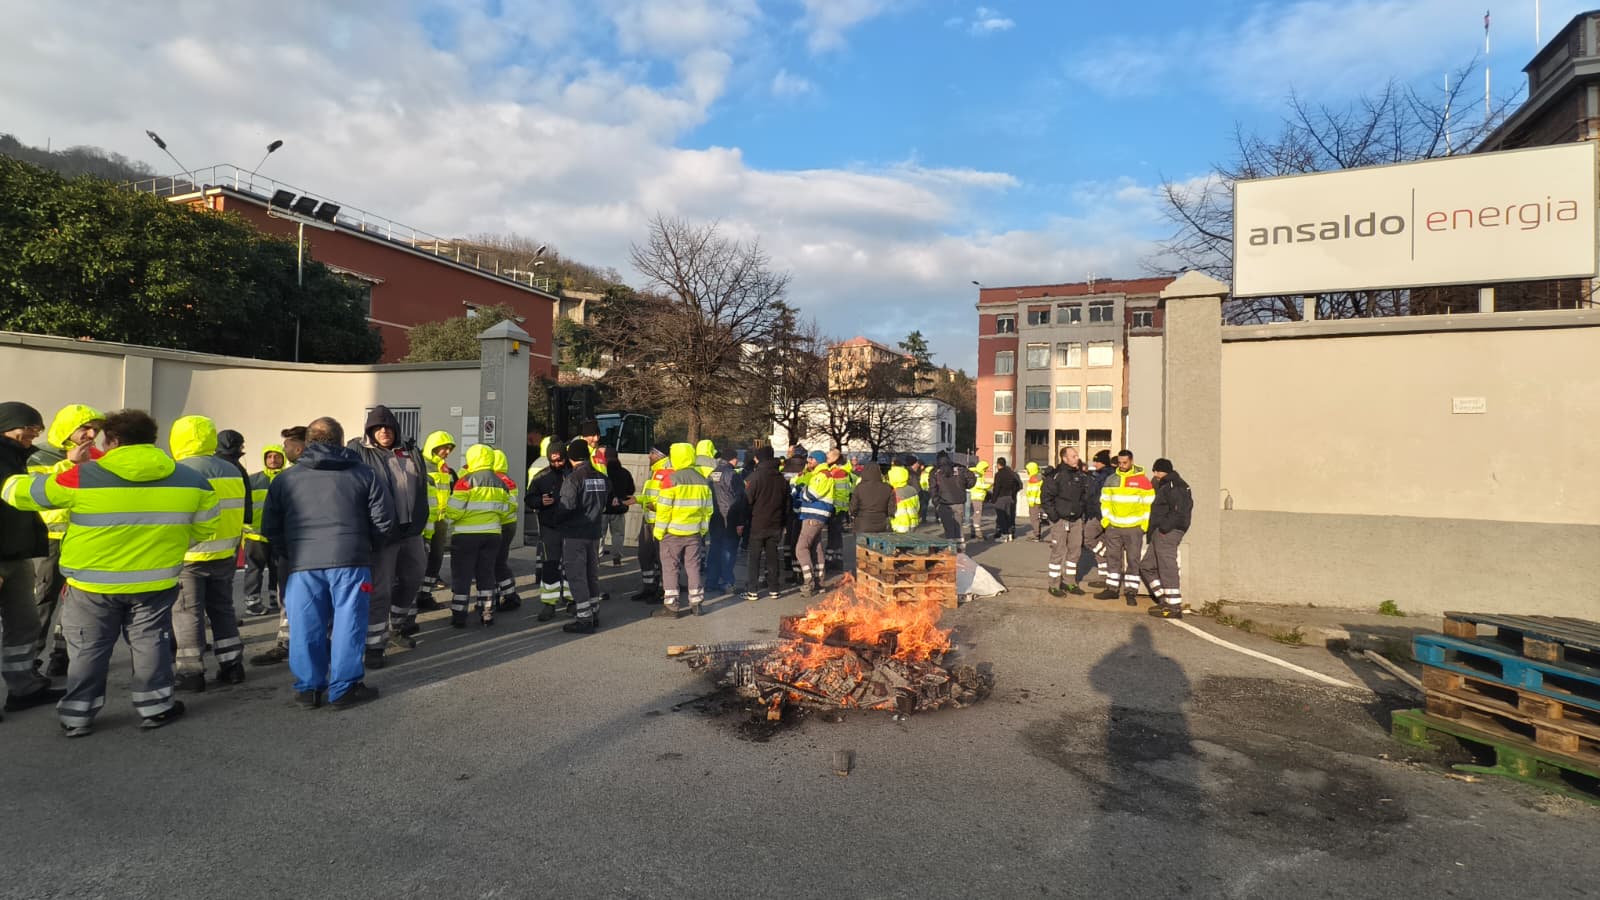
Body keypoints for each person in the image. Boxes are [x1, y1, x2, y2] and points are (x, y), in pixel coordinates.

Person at [3, 409, 219, 736]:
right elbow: (207, 529)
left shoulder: (81, 476)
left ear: (113, 440)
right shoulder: (192, 480)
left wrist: (55, 465)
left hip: (91, 584)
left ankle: (78, 716)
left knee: (89, 647)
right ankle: (156, 707)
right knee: (151, 645)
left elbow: (19, 493)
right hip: (155, 581)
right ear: (152, 439)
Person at [263, 417, 392, 710]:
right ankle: (344, 688)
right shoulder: (364, 474)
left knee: (305, 624)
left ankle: (309, 688)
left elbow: (271, 526)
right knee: (349, 623)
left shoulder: (285, 479)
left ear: (308, 442)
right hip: (351, 559)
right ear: (341, 439)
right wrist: (368, 550)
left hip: (302, 563)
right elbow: (383, 521)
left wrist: (291, 552)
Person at [169, 415, 250, 692]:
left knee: (187, 613)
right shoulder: (231, 469)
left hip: (189, 556)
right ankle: (232, 666)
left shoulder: (178, 470)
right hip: (225, 553)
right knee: (223, 609)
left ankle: (191, 673)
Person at [25, 403, 104, 676]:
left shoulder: (97, 456)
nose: (92, 434)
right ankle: (29, 659)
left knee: (76, 601)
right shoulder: (38, 456)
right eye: (85, 428)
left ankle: (63, 653)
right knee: (43, 598)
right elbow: (37, 492)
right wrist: (70, 464)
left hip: (84, 538)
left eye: (95, 429)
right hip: (50, 541)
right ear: (68, 429)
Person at [348, 406, 429, 668]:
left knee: (414, 576)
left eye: (388, 427)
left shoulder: (411, 451)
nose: (383, 431)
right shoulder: (359, 452)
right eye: (377, 428)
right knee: (380, 590)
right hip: (382, 533)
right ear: (369, 431)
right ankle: (374, 645)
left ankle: (397, 624)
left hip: (411, 530)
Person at [0, 402, 62, 717]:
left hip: (17, 556)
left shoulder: (17, 457)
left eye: (36, 431)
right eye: (27, 429)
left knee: (23, 624)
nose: (33, 436)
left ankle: (22, 688)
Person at [250, 425, 310, 668]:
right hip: (298, 550)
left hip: (300, 551)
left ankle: (298, 644)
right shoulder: (286, 478)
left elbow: (271, 523)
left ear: (299, 448)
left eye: (285, 447)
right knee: (290, 598)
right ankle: (287, 643)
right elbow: (271, 522)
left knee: (295, 598)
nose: (282, 452)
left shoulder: (289, 478)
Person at [441, 444, 512, 627]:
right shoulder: (500, 482)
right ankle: (487, 612)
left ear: (472, 458)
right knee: (486, 573)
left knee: (462, 575)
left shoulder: (465, 481)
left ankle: (459, 614)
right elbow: (507, 510)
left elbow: (454, 511)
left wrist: (453, 513)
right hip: (492, 535)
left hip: (466, 536)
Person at [653, 442, 712, 616]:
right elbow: (708, 510)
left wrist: (659, 531)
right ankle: (697, 603)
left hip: (672, 533)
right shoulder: (702, 480)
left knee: (671, 567)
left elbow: (664, 509)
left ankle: (671, 606)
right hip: (693, 532)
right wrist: (701, 530)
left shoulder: (670, 480)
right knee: (693, 567)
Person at [557, 438, 608, 633]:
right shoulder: (601, 477)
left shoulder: (573, 479)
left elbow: (566, 507)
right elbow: (608, 499)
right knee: (591, 574)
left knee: (577, 576)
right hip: (594, 533)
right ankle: (594, 613)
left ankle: (584, 618)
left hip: (575, 534)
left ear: (571, 458)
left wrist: (556, 519)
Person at [1095, 450, 1155, 604]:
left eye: (1125, 463)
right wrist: (1106, 521)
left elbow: (1148, 504)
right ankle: (1112, 589)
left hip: (1134, 528)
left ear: (1131, 461)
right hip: (1113, 527)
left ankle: (1130, 592)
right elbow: (1105, 501)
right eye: (1120, 462)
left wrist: (1144, 525)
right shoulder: (1111, 479)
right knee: (1113, 558)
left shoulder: (1142, 480)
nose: (1122, 466)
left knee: (1133, 560)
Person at [1141, 458, 1193, 619]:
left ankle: (1173, 605)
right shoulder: (1166, 485)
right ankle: (1164, 599)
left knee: (1166, 566)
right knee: (1147, 566)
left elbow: (1178, 511)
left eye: (1156, 471)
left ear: (1162, 471)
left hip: (1168, 532)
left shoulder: (1174, 486)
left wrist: (1164, 528)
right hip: (1160, 531)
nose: (1155, 474)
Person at [242, 443, 288, 617]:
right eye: (269, 456)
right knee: (254, 569)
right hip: (256, 534)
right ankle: (252, 602)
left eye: (277, 456)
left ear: (283, 458)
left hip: (279, 533)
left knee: (278, 568)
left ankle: (275, 598)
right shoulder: (253, 480)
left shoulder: (288, 478)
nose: (273, 460)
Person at [415, 431, 457, 615]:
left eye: (450, 449)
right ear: (434, 446)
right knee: (418, 561)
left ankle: (425, 595)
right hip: (424, 521)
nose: (447, 451)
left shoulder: (444, 468)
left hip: (439, 522)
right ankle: (412, 598)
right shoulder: (420, 465)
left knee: (436, 559)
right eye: (445, 448)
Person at [1042, 446, 1092, 597]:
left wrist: (1080, 511)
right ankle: (1054, 584)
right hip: (1060, 520)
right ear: (1065, 458)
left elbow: (1085, 495)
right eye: (1073, 456)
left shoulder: (1080, 476)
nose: (1077, 458)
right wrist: (1055, 517)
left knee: (1075, 552)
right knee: (1058, 552)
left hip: (1076, 520)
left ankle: (1070, 582)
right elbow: (1046, 498)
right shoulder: (1056, 476)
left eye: (1077, 455)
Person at [529, 442, 571, 621]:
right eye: (552, 461)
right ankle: (549, 603)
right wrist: (539, 501)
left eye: (560, 460)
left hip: (571, 527)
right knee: (550, 566)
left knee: (571, 564)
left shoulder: (573, 474)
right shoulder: (541, 477)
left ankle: (573, 600)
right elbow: (529, 498)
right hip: (550, 528)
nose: (556, 464)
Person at [742, 446, 787, 602]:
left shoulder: (755, 477)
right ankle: (774, 589)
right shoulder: (781, 477)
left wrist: (743, 521)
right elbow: (787, 502)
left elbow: (746, 500)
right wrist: (784, 523)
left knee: (754, 557)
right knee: (772, 556)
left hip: (758, 523)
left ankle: (752, 591)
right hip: (776, 523)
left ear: (759, 458)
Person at [792, 450, 834, 595]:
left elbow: (810, 495)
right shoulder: (820, 474)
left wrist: (800, 490)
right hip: (817, 516)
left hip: (813, 516)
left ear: (817, 460)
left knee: (801, 548)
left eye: (811, 459)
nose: (808, 462)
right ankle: (820, 583)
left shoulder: (822, 475)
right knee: (816, 548)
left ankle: (808, 583)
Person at [705, 445, 746, 596]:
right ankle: (727, 582)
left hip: (715, 516)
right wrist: (741, 522)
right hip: (730, 517)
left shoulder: (712, 473)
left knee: (715, 548)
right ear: (733, 459)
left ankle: (711, 582)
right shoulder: (732, 475)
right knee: (728, 550)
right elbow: (739, 499)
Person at [630, 447, 668, 604]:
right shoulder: (655, 471)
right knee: (645, 556)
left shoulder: (667, 471)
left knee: (661, 559)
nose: (649, 455)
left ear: (660, 455)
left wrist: (655, 506)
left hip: (660, 522)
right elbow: (650, 495)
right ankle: (649, 587)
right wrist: (637, 499)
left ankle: (662, 590)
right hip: (649, 520)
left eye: (652, 452)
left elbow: (668, 498)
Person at [489, 449, 524, 612]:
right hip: (510, 524)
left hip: (499, 525)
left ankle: (502, 596)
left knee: (493, 562)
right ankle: (509, 594)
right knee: (500, 560)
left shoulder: (494, 480)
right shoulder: (508, 480)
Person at [1079, 450, 1115, 590]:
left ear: (1103, 462)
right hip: (1100, 514)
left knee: (1088, 538)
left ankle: (1108, 554)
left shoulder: (1104, 476)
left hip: (1099, 514)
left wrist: (1094, 511)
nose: (1095, 464)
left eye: (1097, 461)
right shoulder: (1101, 475)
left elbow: (1097, 497)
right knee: (1101, 542)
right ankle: (1104, 576)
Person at [847, 462, 895, 566]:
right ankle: (877, 568)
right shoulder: (887, 488)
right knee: (879, 550)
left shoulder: (859, 488)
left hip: (862, 524)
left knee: (862, 551)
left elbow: (853, 507)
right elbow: (891, 509)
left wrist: (853, 515)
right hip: (881, 524)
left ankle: (863, 569)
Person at [928, 452, 975, 551]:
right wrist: (965, 486)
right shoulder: (959, 468)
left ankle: (951, 548)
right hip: (959, 501)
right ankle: (961, 548)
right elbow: (972, 478)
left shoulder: (935, 472)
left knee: (948, 527)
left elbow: (933, 489)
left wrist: (936, 503)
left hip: (944, 503)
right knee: (958, 525)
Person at [597, 446, 635, 567]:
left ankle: (597, 558)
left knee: (599, 535)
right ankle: (617, 558)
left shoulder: (601, 472)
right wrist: (621, 499)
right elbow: (631, 490)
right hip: (619, 509)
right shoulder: (625, 473)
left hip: (602, 509)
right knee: (618, 535)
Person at [989, 457, 1022, 542]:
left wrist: (993, 499)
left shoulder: (999, 474)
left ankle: (1004, 535)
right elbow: (1018, 485)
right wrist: (1013, 493)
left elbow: (996, 488)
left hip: (1001, 497)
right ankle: (1010, 534)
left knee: (1001, 517)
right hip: (1010, 497)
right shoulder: (1011, 474)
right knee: (1009, 516)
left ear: (998, 464)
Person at [887, 465, 920, 534]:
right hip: (913, 523)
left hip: (899, 525)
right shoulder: (912, 489)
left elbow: (891, 510)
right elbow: (917, 507)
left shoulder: (894, 492)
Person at [966, 459, 991, 541]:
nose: (986, 470)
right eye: (985, 468)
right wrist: (989, 486)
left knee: (974, 515)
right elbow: (979, 485)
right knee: (977, 514)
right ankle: (978, 534)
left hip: (975, 496)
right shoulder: (978, 475)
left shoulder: (977, 473)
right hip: (977, 497)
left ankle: (973, 532)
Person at [1023, 461, 1047, 541]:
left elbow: (1033, 491)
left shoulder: (1034, 479)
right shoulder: (1040, 477)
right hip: (1040, 501)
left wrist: (1031, 503)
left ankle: (1036, 535)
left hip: (1034, 502)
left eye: (1028, 469)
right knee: (1039, 518)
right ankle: (1037, 534)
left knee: (1034, 518)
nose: (1027, 471)